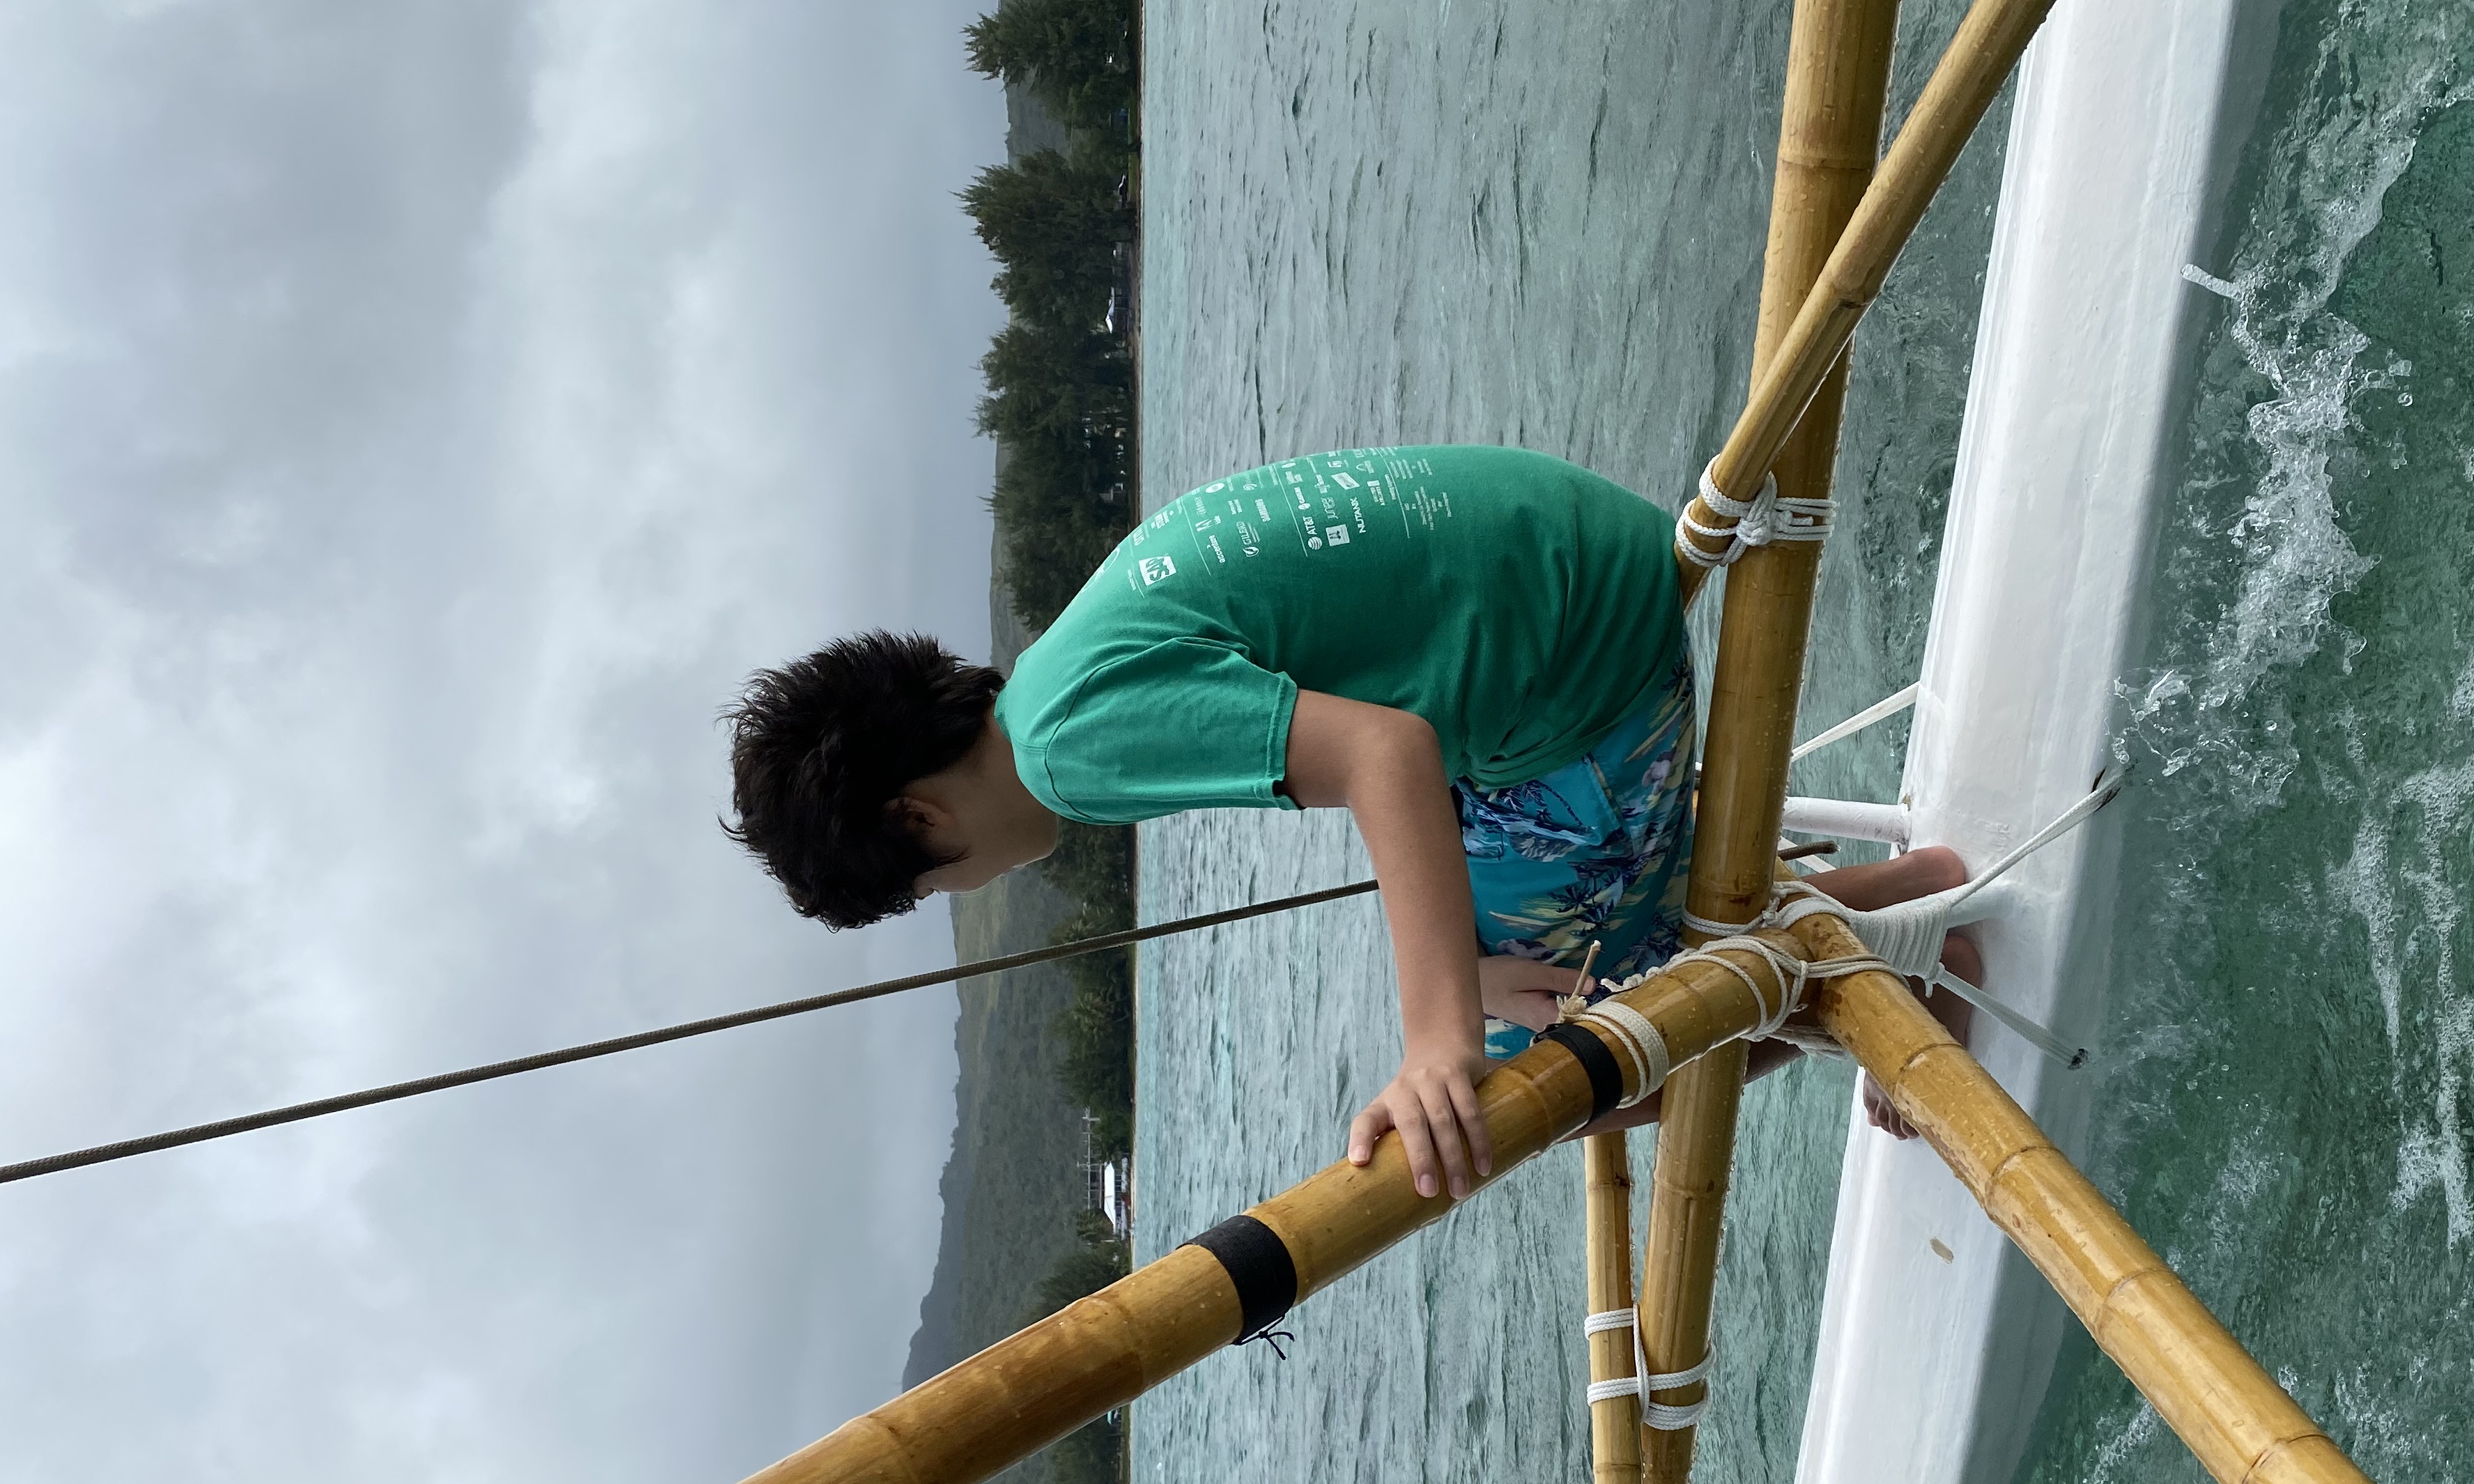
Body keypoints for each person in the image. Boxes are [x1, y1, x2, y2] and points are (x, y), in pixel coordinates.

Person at [722, 445, 1977, 1203]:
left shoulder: (1069, 751)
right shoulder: (1064, 668)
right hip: (1571, 574)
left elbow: (1385, 751)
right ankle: (1889, 913)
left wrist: (1436, 1038)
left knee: (1549, 1078)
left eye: (928, 885)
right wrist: (1464, 967)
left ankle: (1912, 946)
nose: (965, 889)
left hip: (1581, 674)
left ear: (916, 816)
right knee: (1517, 978)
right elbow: (1388, 728)